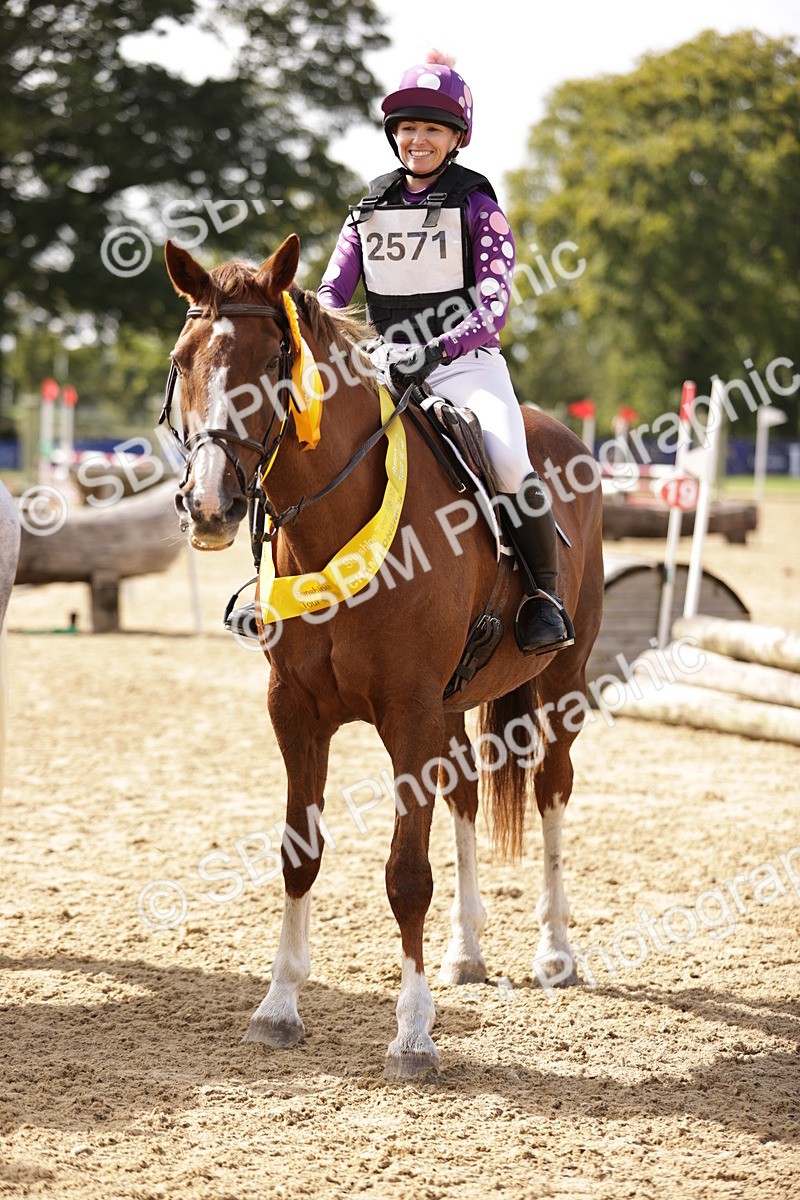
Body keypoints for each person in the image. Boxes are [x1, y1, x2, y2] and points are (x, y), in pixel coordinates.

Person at [316, 50, 573, 655]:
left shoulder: (480, 208)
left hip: (464, 365)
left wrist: (433, 350)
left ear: (456, 137)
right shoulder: (368, 209)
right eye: (407, 127)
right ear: (393, 135)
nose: (417, 139)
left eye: (431, 128)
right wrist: (326, 329)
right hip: (383, 363)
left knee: (509, 461)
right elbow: (332, 290)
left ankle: (544, 595)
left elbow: (494, 309)